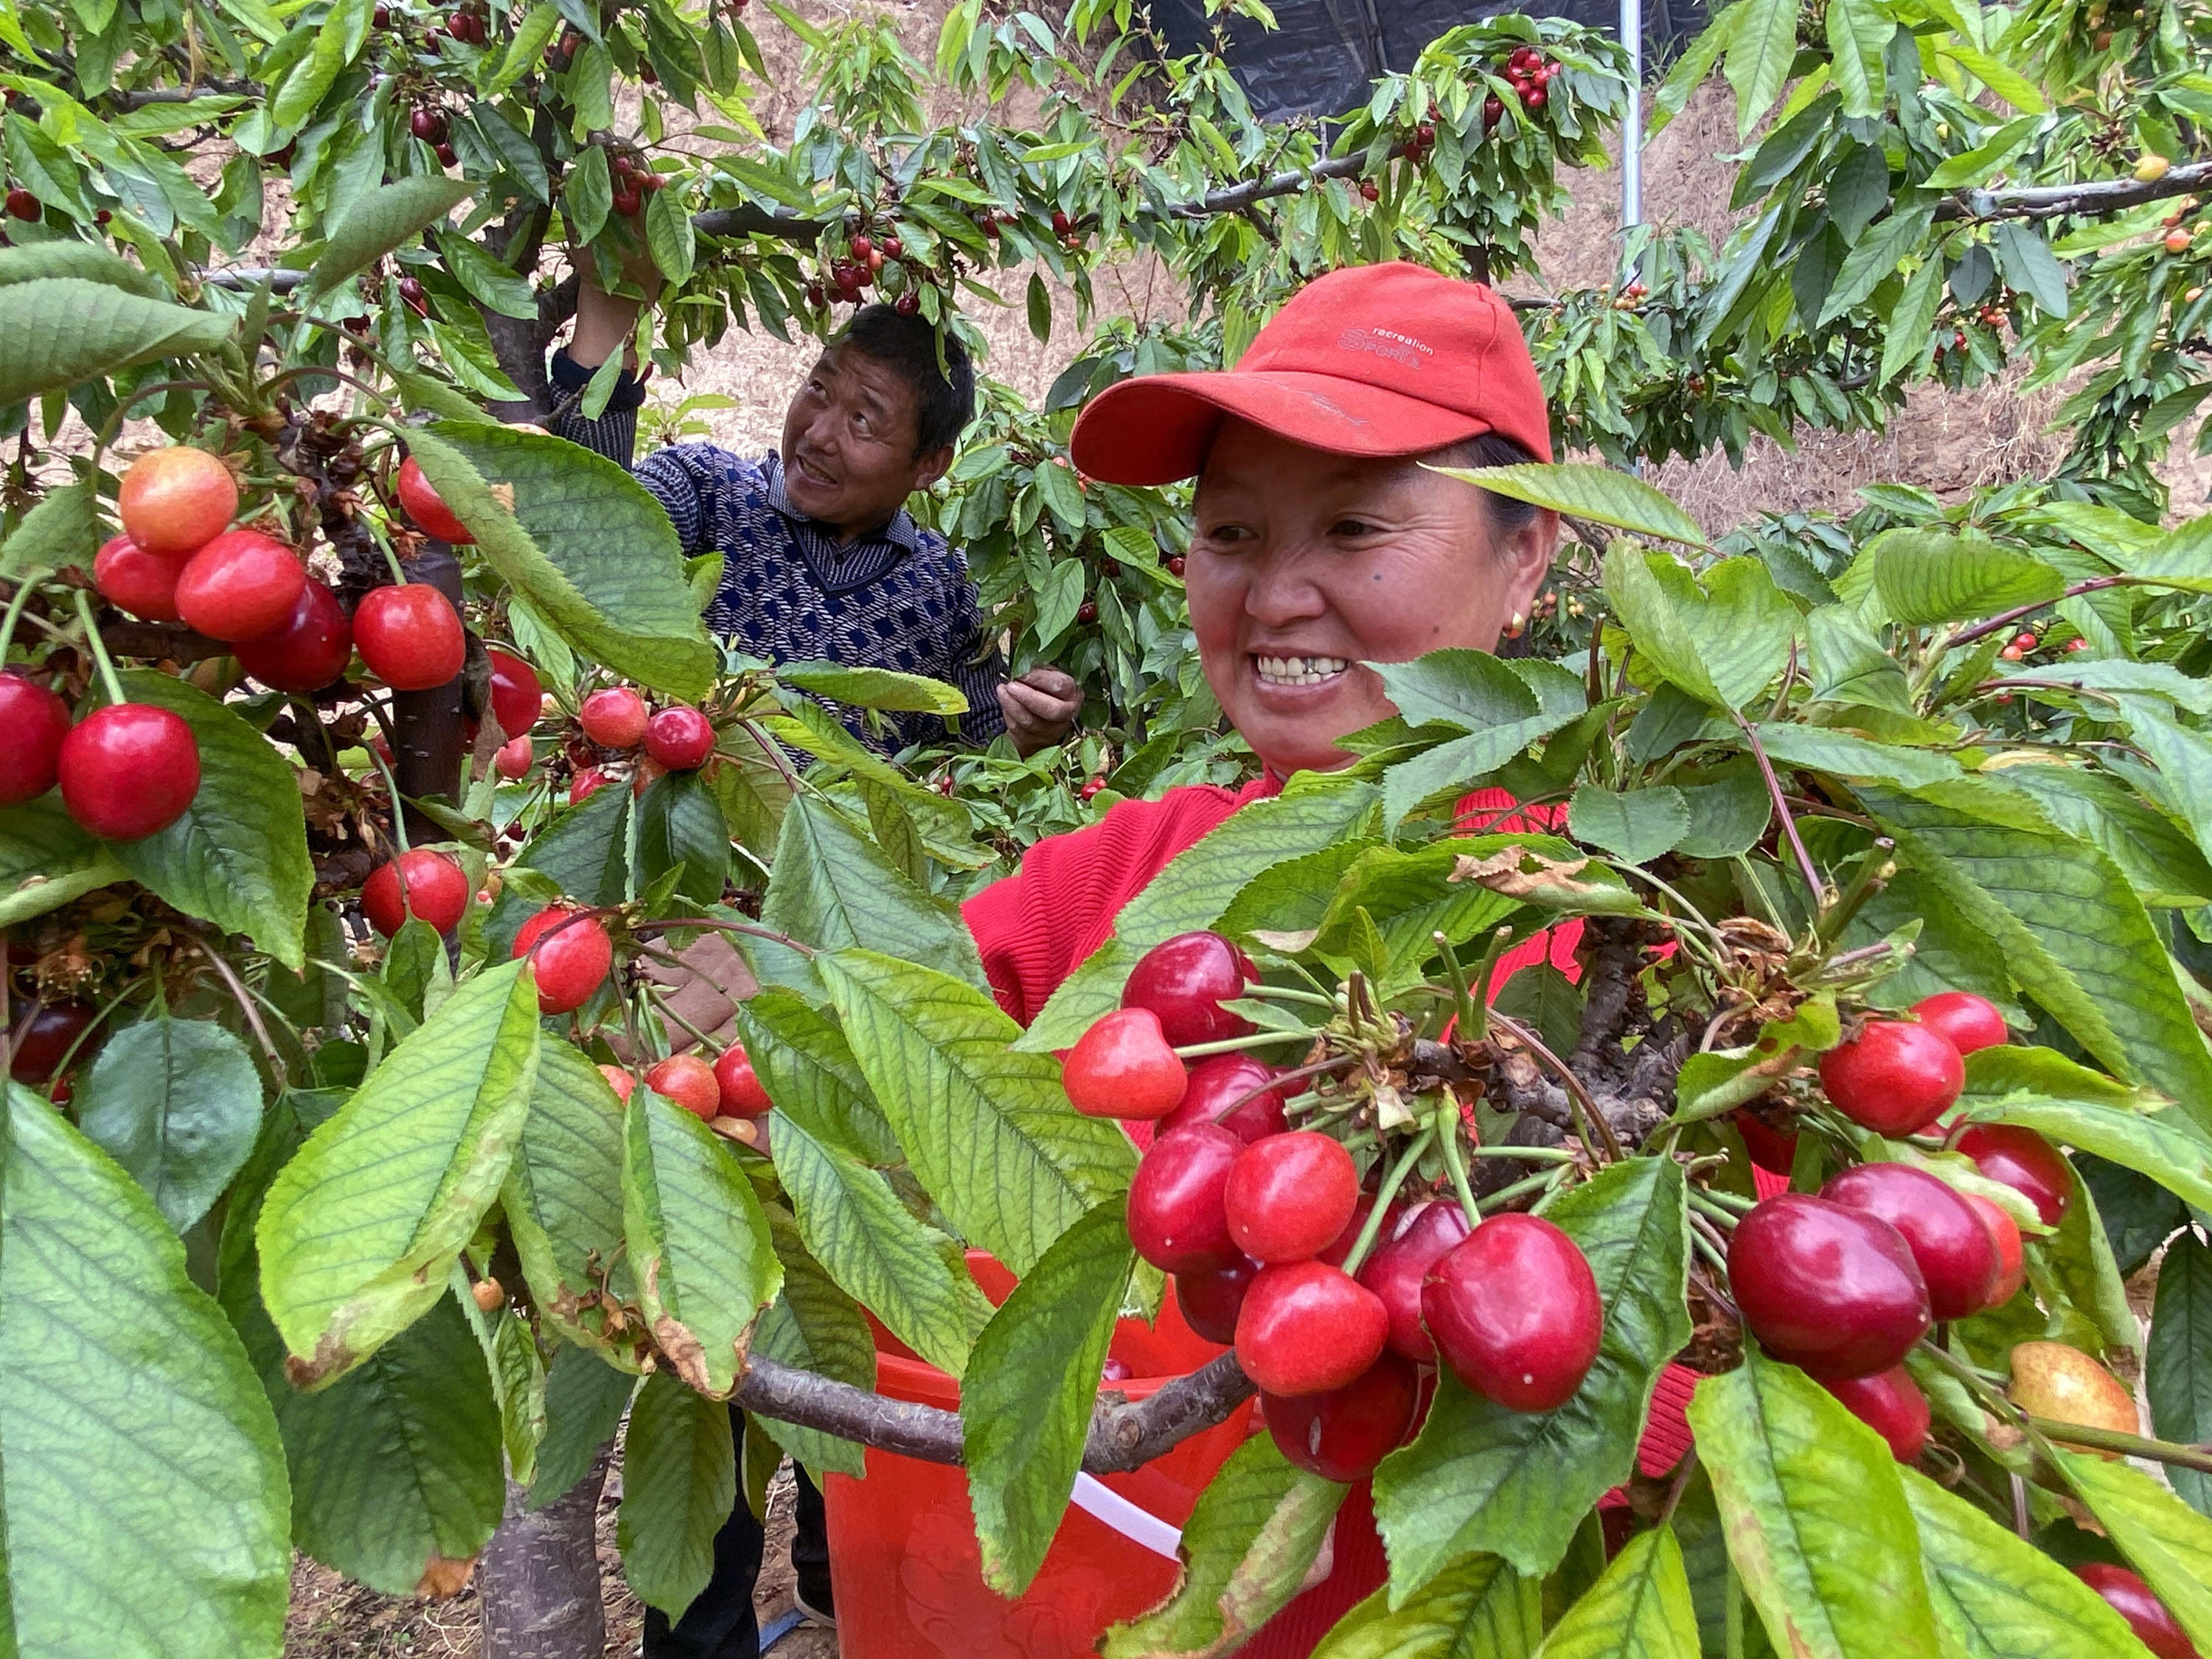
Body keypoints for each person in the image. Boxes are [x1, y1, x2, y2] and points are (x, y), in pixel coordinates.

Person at [653, 260, 1594, 1654]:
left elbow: (1695, 1375)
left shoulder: (1620, 941)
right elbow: (898, 1031)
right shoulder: (1140, 867)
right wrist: (729, 1014)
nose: (1277, 594)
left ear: (1528, 556)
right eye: (1230, 531)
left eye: (1352, 528)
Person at [552, 276, 1083, 756]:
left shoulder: (947, 593)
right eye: (819, 390)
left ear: (928, 464)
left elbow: (977, 762)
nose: (818, 435)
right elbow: (586, 530)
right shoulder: (705, 492)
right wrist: (606, 315)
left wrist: (1034, 731)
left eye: (862, 420)